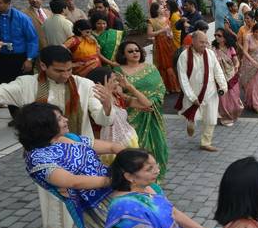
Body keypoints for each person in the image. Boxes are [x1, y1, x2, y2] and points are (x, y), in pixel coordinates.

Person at [0, 42, 115, 228]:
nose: (66, 75)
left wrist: (107, 105)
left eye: (69, 69)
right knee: (57, 201)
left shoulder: (83, 85)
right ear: (43, 66)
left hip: (79, 154)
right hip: (47, 158)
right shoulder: (26, 85)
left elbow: (102, 119)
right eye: (59, 70)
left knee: (88, 199)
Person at [15, 102, 124, 228]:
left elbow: (108, 146)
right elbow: (73, 182)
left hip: (110, 195)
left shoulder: (70, 138)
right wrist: (116, 179)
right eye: (59, 119)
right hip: (88, 209)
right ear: (44, 127)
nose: (66, 120)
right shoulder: (38, 160)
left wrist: (129, 154)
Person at [114, 39, 169, 179]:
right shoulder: (118, 71)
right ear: (123, 54)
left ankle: (156, 177)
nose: (134, 53)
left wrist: (153, 101)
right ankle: (138, 177)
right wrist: (134, 100)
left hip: (153, 114)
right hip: (133, 115)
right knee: (137, 147)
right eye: (130, 51)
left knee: (159, 145)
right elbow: (119, 94)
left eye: (137, 50)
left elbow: (161, 88)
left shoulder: (150, 68)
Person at [0, 0, 39, 123]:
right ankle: (16, 116)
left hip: (21, 58)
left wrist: (29, 59)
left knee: (25, 88)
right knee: (7, 88)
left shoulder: (22, 18)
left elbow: (32, 39)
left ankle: (30, 117)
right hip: (2, 58)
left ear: (8, 3)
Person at [176, 31, 227, 152]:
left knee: (211, 118)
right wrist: (191, 96)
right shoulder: (184, 56)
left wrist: (223, 86)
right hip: (193, 92)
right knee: (193, 116)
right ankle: (190, 124)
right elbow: (182, 78)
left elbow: (217, 71)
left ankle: (206, 142)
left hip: (210, 92)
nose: (204, 44)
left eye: (206, 42)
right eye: (201, 42)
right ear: (193, 41)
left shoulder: (210, 54)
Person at [85, 66, 140, 156]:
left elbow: (147, 104)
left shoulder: (118, 96)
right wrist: (107, 99)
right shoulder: (94, 100)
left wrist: (130, 87)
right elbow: (103, 121)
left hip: (127, 140)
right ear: (100, 83)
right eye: (113, 80)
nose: (117, 83)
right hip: (105, 148)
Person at [212, 29, 243, 125]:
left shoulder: (230, 49)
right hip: (219, 77)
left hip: (231, 76)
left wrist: (237, 65)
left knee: (234, 97)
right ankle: (225, 118)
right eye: (215, 35)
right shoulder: (213, 49)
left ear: (225, 38)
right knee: (223, 99)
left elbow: (235, 60)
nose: (216, 37)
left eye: (219, 35)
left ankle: (233, 114)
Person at [147, 1, 179, 93]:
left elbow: (169, 31)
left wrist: (171, 34)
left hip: (169, 43)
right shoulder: (151, 21)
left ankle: (175, 85)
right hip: (159, 44)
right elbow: (149, 34)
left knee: (172, 62)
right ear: (156, 10)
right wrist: (162, 30)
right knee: (163, 64)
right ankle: (166, 87)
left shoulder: (166, 19)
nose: (164, 9)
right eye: (161, 8)